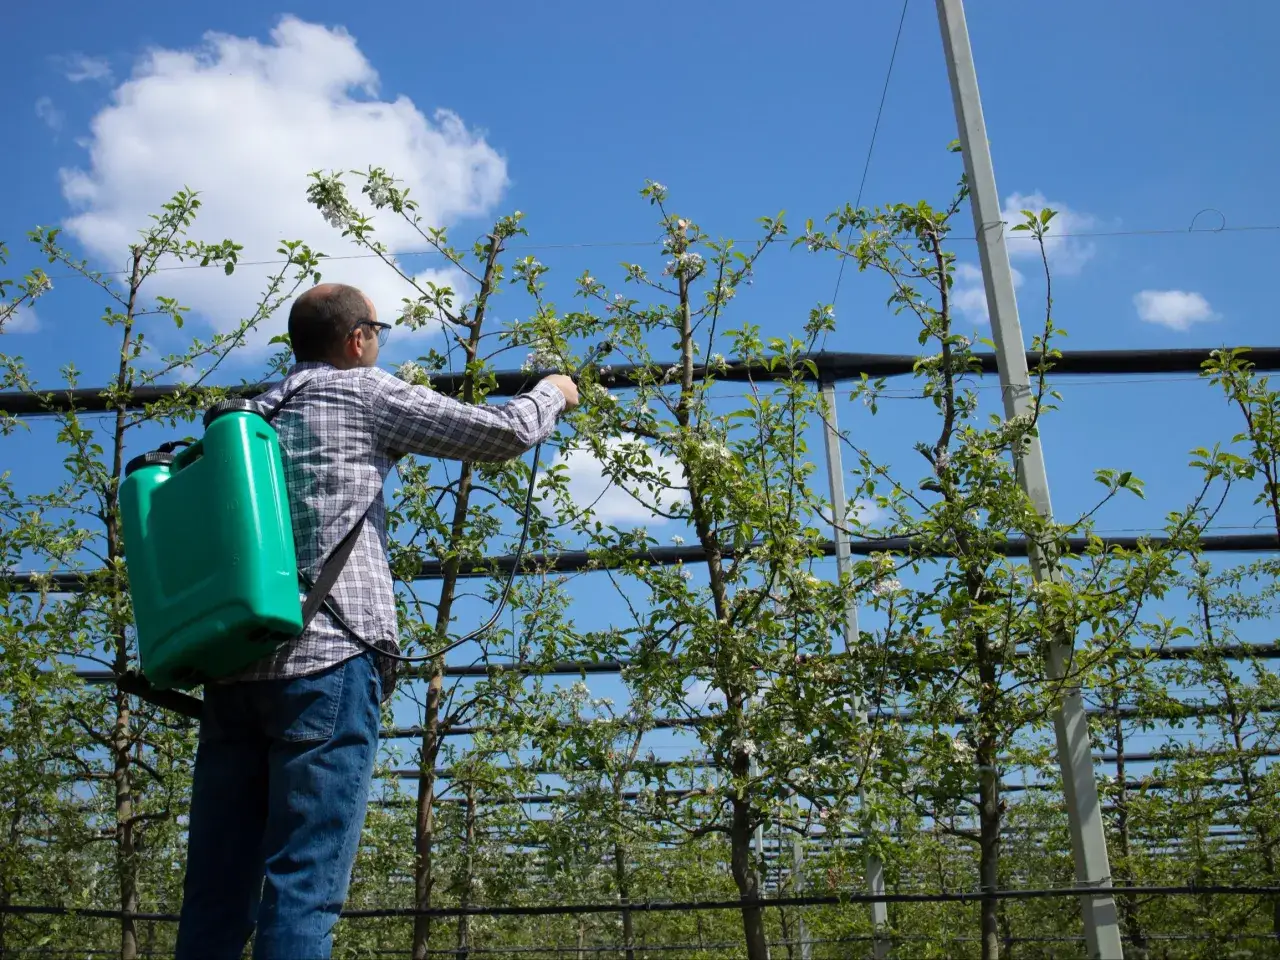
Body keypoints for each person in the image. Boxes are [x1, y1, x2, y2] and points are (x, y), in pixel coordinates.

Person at [174, 283, 578, 959]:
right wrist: (553, 393)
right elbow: (502, 434)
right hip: (327, 661)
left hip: (232, 669)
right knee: (303, 883)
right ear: (358, 337)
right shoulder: (361, 392)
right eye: (379, 331)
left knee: (215, 892)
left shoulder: (244, 418)